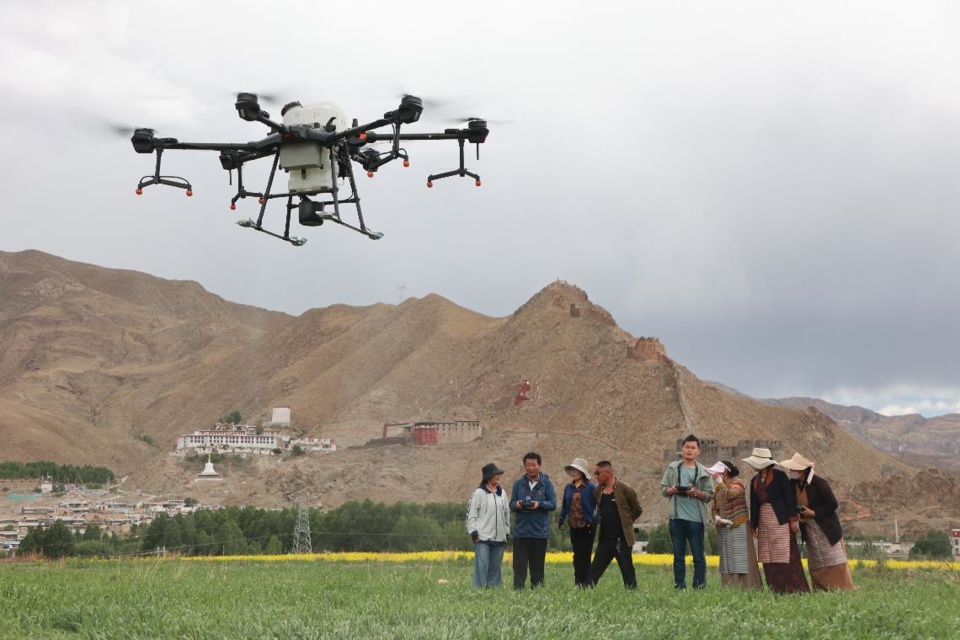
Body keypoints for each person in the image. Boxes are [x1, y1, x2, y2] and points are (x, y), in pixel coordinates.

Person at [779, 453, 855, 591]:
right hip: (808, 527)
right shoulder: (793, 484)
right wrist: (798, 515)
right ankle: (821, 588)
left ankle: (842, 587)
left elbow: (832, 504)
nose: (791, 472)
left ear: (802, 471)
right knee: (816, 559)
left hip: (825, 527)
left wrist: (813, 513)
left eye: (794, 470)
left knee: (832, 557)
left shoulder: (819, 483)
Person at [743, 447, 809, 594]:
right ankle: (776, 589)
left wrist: (793, 520)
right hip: (764, 521)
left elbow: (789, 498)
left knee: (785, 555)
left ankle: (795, 590)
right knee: (768, 555)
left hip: (781, 520)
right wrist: (754, 525)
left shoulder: (779, 476)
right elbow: (754, 504)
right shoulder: (755, 480)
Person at [660, 434, 714, 590]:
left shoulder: (704, 471)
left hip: (696, 520)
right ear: (682, 449)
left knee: (698, 556)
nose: (689, 450)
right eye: (687, 447)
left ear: (699, 451)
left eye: (693, 448)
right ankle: (680, 586)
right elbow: (663, 490)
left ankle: (699, 586)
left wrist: (696, 493)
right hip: (676, 518)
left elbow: (709, 496)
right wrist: (671, 490)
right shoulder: (672, 468)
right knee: (678, 556)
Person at [706, 460, 762, 589]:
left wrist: (720, 482)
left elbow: (730, 494)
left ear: (725, 472)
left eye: (718, 472)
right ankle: (730, 587)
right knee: (727, 560)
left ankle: (748, 587)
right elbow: (714, 506)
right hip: (724, 527)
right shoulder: (718, 489)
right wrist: (717, 517)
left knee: (741, 558)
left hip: (738, 525)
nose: (714, 475)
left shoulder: (739, 484)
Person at [587, 460, 643, 588]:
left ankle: (632, 597)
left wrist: (627, 523)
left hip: (621, 540)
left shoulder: (625, 490)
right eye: (595, 473)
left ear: (608, 473)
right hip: (605, 539)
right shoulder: (598, 491)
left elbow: (637, 510)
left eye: (598, 473)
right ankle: (585, 594)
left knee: (628, 573)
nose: (596, 476)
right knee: (593, 572)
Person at [509, 452, 556, 589]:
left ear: (539, 466)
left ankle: (537, 591)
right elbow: (511, 504)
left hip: (539, 532)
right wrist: (517, 504)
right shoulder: (518, 484)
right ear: (524, 467)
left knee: (537, 566)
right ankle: (518, 590)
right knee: (519, 565)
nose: (531, 468)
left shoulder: (547, 484)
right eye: (528, 465)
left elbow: (553, 504)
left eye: (534, 465)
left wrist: (539, 504)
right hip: (521, 532)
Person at [466, 462, 511, 588]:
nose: (498, 476)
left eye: (499, 474)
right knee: (481, 566)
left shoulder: (502, 494)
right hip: (483, 537)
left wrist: (507, 531)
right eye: (495, 474)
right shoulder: (479, 493)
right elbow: (472, 514)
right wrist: (473, 532)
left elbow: (506, 513)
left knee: (495, 567)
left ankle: (493, 591)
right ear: (488, 476)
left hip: (499, 537)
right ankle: (477, 590)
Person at [557, 457, 598, 587]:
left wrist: (594, 521)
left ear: (582, 472)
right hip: (574, 525)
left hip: (587, 526)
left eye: (576, 470)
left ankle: (587, 583)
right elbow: (565, 505)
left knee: (585, 555)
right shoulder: (568, 488)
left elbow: (600, 506)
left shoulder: (591, 487)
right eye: (572, 470)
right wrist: (561, 519)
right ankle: (578, 582)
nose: (573, 472)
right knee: (577, 555)